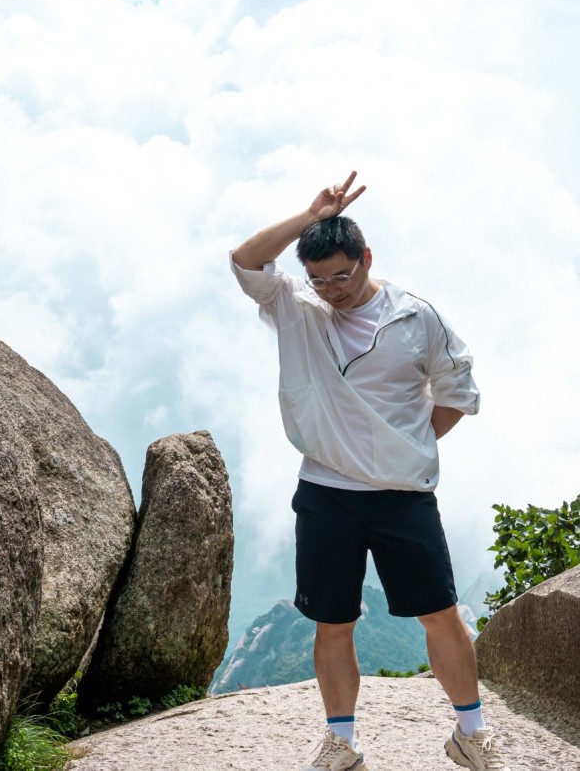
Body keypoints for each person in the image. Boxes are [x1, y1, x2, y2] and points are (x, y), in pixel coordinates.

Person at [230, 172, 508, 771]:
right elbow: (245, 259)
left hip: (402, 493)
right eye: (320, 278)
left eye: (343, 275)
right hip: (326, 491)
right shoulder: (297, 308)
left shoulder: (415, 315)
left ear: (366, 259)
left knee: (441, 613)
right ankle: (342, 743)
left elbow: (457, 389)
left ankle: (471, 734)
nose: (332, 289)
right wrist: (310, 216)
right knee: (334, 622)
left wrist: (408, 443)